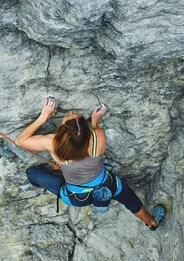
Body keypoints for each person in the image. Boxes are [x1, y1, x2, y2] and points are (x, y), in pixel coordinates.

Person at [15, 97, 166, 229]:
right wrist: (95, 122)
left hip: (76, 196)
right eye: (71, 115)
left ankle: (43, 186)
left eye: (71, 115)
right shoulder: (97, 137)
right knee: (129, 198)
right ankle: (152, 222)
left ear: (61, 133)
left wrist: (43, 117)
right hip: (107, 184)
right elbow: (96, 131)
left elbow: (20, 141)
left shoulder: (53, 144)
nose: (71, 112)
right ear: (88, 134)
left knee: (32, 173)